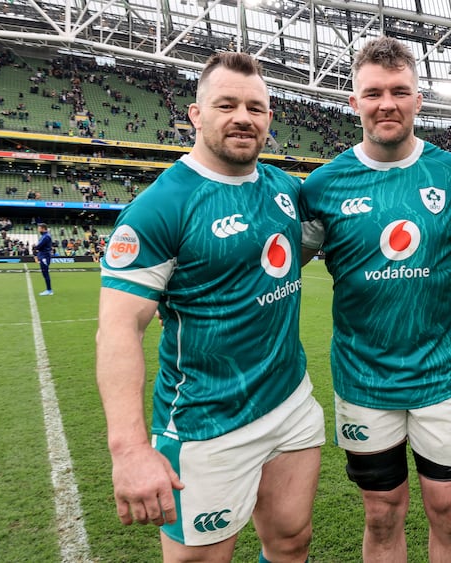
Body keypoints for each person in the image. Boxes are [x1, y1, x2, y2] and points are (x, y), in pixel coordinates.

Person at [96, 52, 325, 563]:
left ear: (269, 120)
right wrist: (130, 449)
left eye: (255, 107)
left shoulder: (286, 190)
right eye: (226, 104)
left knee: (292, 541)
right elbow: (117, 329)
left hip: (290, 404)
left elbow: (293, 256)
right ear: (196, 115)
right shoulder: (161, 207)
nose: (243, 116)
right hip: (204, 422)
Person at [299, 36, 451, 563]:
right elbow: (283, 268)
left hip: (440, 375)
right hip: (363, 379)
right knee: (381, 513)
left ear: (419, 99)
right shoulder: (324, 185)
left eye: (400, 91)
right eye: (373, 92)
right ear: (353, 102)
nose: (387, 103)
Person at [33, 222, 53, 296]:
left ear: (43, 228)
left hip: (45, 256)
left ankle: (49, 290)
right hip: (43, 255)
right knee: (44, 272)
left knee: (45, 272)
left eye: (39, 228)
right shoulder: (44, 236)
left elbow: (39, 246)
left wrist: (35, 247)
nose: (38, 229)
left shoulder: (46, 236)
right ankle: (48, 289)